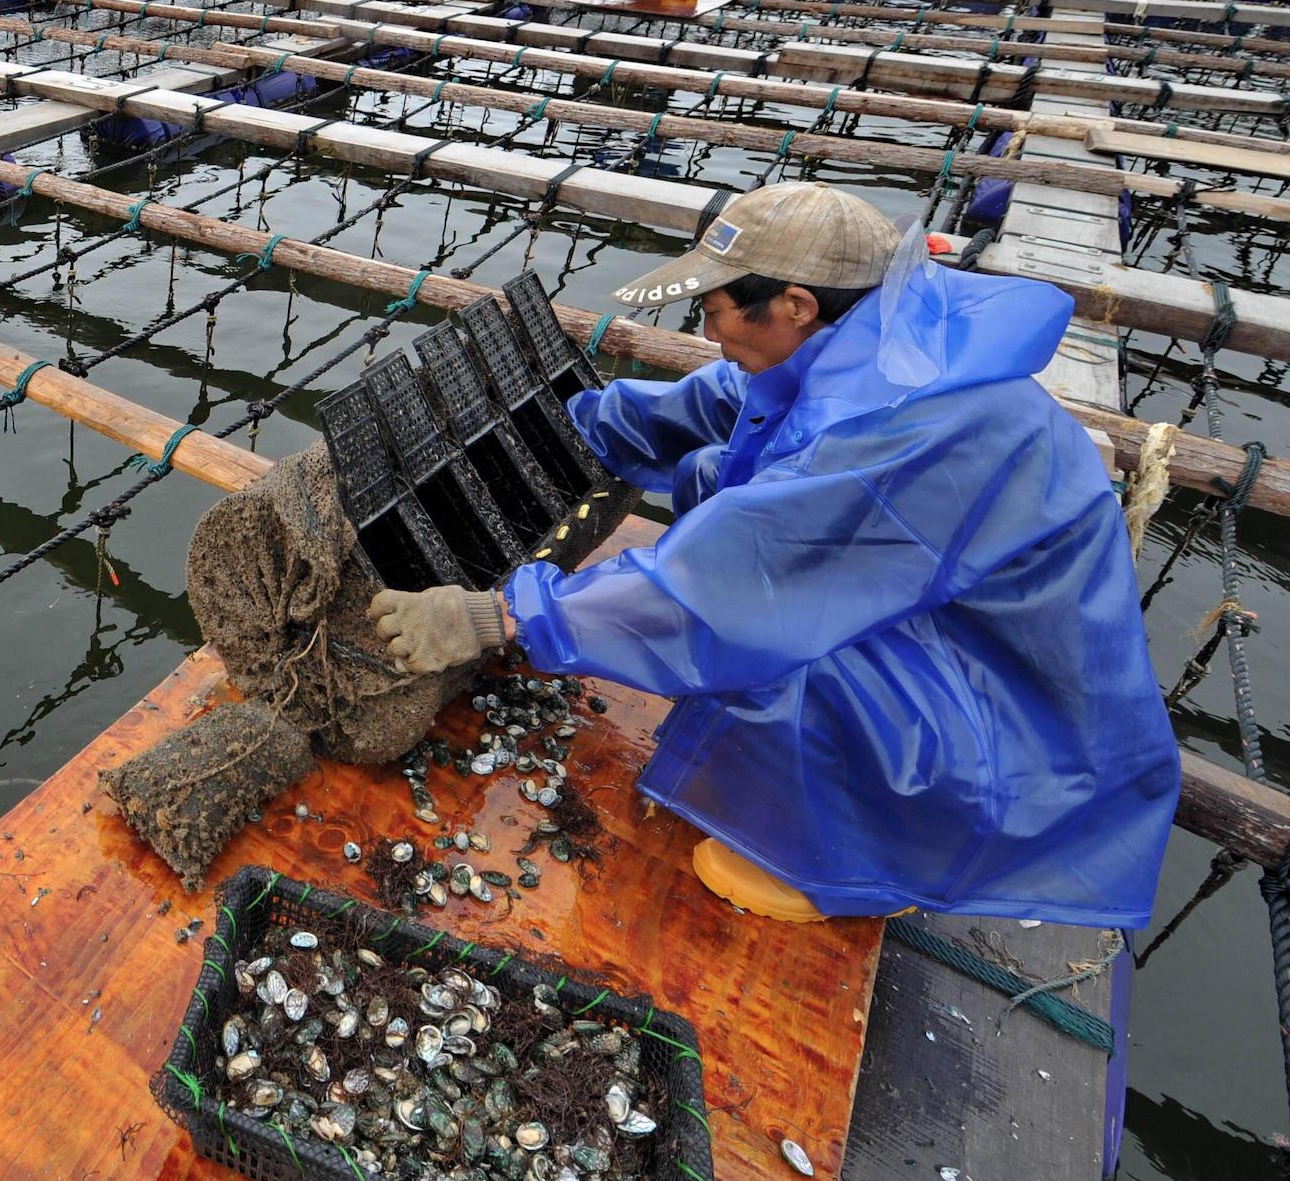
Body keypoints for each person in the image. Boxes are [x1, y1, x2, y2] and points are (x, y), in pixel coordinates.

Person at [367, 181, 1178, 930]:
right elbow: (732, 398)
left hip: (1023, 755)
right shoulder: (878, 329)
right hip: (976, 644)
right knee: (711, 474)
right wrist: (566, 421)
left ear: (792, 303)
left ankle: (854, 864)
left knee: (771, 649)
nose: (708, 330)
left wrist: (497, 613)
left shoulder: (898, 428)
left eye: (714, 309)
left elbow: (725, 588)